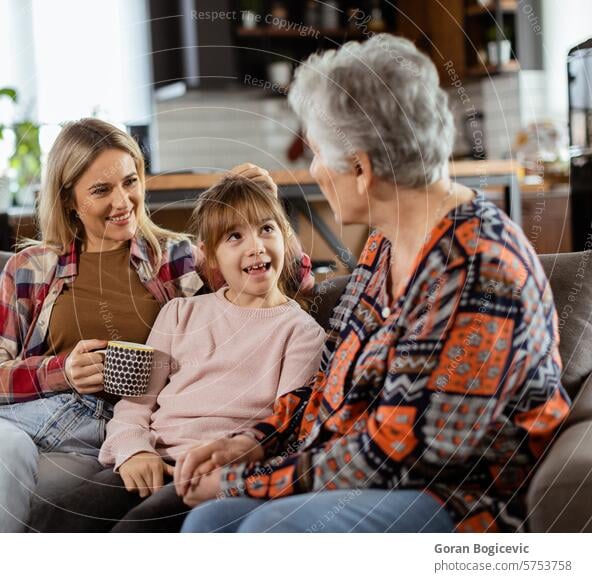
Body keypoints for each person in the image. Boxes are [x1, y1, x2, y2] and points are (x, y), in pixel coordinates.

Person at [176, 34, 570, 533]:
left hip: (455, 498)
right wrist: (255, 441)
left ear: (360, 168)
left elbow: (393, 454)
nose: (312, 169)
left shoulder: (477, 268)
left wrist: (241, 482)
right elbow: (331, 384)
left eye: (317, 153)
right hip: (370, 473)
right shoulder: (386, 242)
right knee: (208, 523)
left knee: (264, 532)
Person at [0, 119, 313, 532]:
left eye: (130, 182)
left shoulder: (176, 259)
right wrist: (59, 371)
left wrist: (260, 204)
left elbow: (275, 290)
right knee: (2, 461)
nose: (123, 202)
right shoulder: (30, 268)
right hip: (18, 425)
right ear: (69, 200)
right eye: (102, 190)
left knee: (5, 505)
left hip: (98, 438)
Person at [50, 175, 325, 532]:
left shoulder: (301, 333)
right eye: (234, 237)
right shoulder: (180, 313)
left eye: (266, 229)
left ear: (285, 239)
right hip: (151, 460)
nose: (255, 247)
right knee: (55, 520)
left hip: (210, 476)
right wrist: (134, 449)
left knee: (132, 533)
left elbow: (287, 431)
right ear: (210, 254)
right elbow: (135, 404)